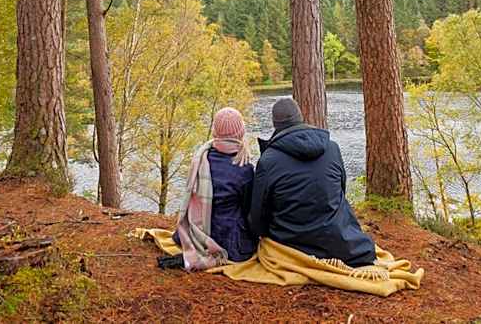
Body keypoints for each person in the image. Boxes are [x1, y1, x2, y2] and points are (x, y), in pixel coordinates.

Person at [248, 97, 376, 267]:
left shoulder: (268, 160)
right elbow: (341, 191)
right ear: (300, 117)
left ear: (275, 124)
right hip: (339, 240)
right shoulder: (332, 148)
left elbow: (258, 215)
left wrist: (259, 235)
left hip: (291, 242)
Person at [161, 107, 257, 271]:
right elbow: (248, 208)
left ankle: (195, 249)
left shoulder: (200, 157)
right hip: (229, 240)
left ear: (215, 131)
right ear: (241, 133)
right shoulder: (244, 167)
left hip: (195, 231)